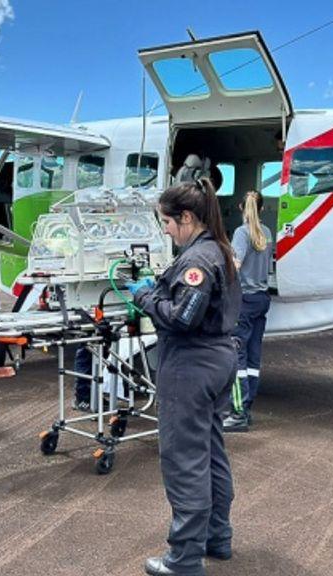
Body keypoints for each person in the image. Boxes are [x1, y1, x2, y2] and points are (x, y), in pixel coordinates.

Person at [128, 178, 241, 576]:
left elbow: (183, 318)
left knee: (184, 460)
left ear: (187, 217)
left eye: (168, 223)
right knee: (209, 452)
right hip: (218, 359)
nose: (166, 231)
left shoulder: (196, 261)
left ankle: (184, 559)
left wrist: (144, 296)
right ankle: (217, 538)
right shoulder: (218, 250)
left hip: (191, 364)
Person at [223, 191, 274, 433]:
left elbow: (235, 265)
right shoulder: (267, 233)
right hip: (262, 299)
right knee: (253, 356)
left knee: (236, 357)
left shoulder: (241, 234)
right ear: (261, 210)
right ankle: (248, 405)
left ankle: (237, 412)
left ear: (242, 208)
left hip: (243, 301)